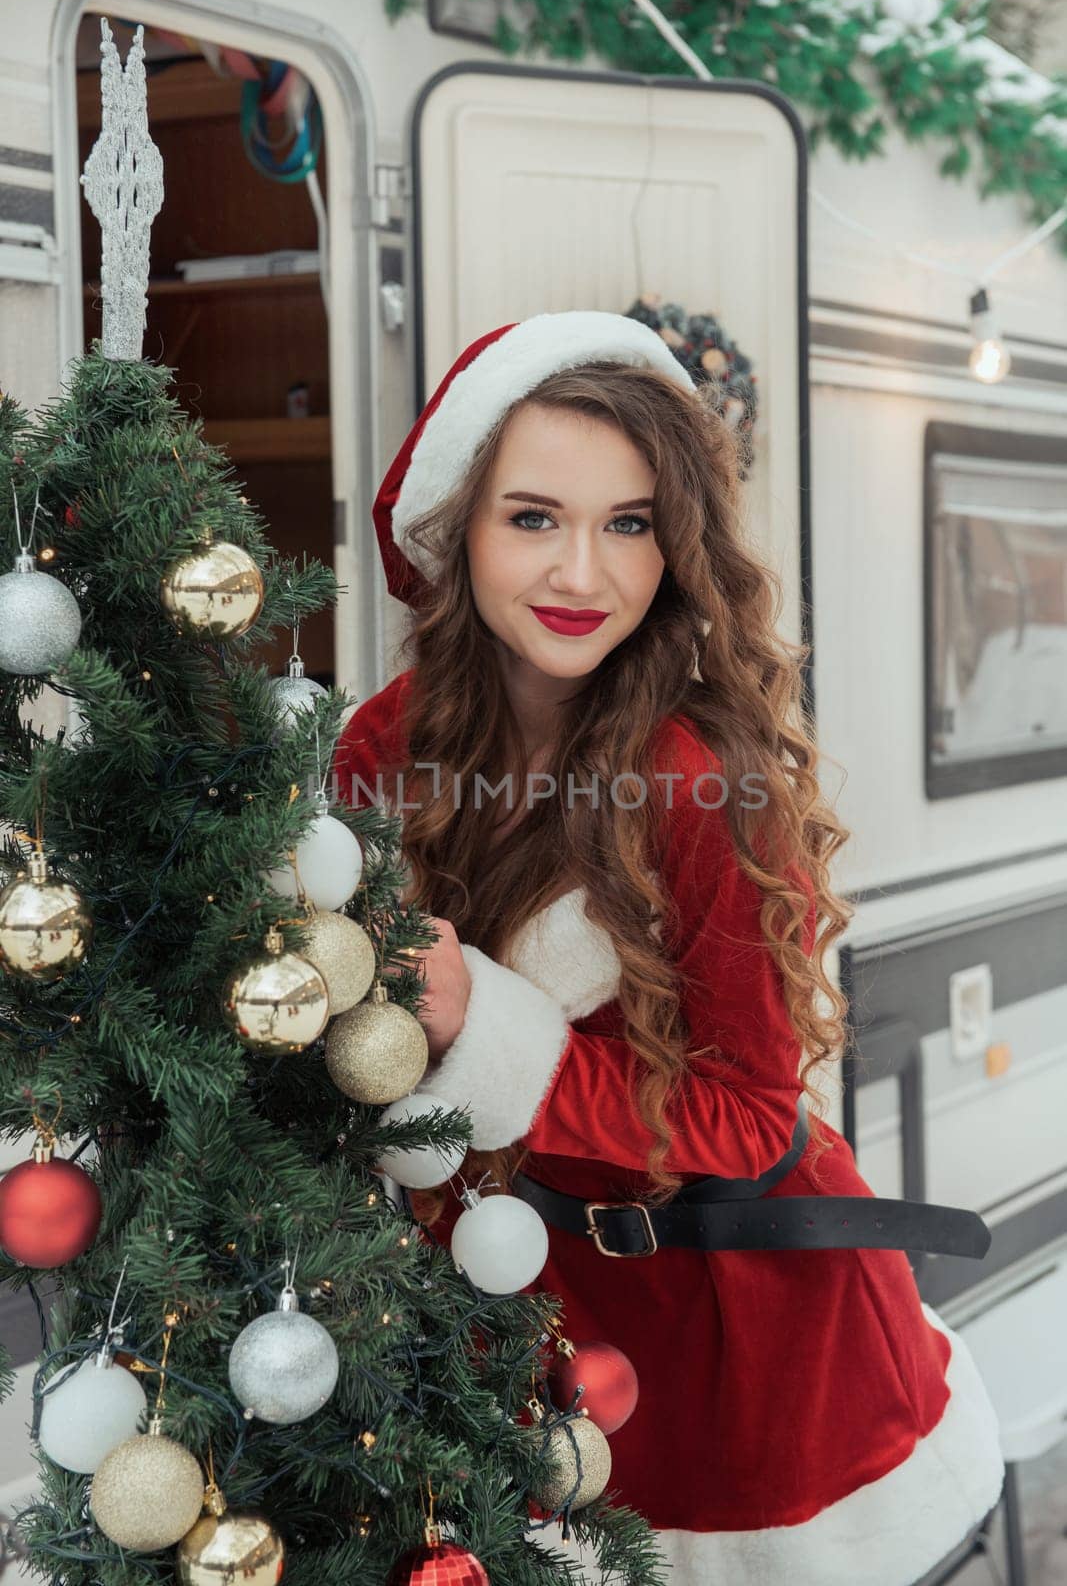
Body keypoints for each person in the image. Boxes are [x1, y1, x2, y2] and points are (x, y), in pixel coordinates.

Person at [331, 311, 1006, 1586]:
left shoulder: (703, 778)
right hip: (506, 1309)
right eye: (532, 518)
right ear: (455, 532)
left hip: (730, 1330)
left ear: (674, 542)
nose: (581, 573)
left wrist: (490, 1032)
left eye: (627, 523)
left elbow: (748, 1118)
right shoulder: (384, 744)